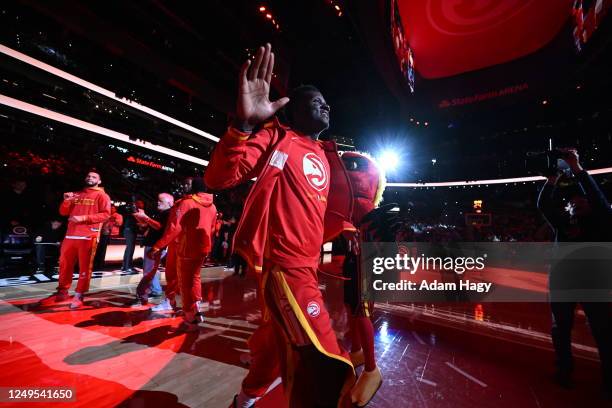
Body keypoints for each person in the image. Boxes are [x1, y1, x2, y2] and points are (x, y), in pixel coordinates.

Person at [205, 44, 357, 408]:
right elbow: (218, 177)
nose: (327, 105)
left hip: (309, 267)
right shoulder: (278, 139)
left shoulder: (325, 154)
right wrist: (243, 125)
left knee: (277, 343)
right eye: (317, 100)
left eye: (327, 101)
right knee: (326, 358)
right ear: (293, 109)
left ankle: (244, 399)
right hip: (284, 270)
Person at [537, 148, 612, 394]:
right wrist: (551, 181)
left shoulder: (601, 220)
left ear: (590, 205)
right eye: (572, 202)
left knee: (602, 329)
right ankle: (564, 371)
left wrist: (577, 168)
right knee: (561, 327)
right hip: (563, 280)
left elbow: (598, 198)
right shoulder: (563, 223)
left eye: (582, 201)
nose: (576, 203)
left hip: (593, 280)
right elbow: (543, 205)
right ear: (567, 207)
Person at [150, 178, 216, 331]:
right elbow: (212, 229)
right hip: (203, 248)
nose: (183, 185)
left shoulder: (186, 203)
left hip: (185, 247)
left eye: (187, 184)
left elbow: (175, 227)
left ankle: (189, 316)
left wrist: (158, 245)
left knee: (184, 283)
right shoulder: (212, 206)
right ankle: (196, 309)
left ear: (194, 187)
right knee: (194, 278)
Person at [39, 170, 111, 309]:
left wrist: (83, 218)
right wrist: (66, 201)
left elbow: (106, 215)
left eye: (94, 176)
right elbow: (63, 212)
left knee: (84, 268)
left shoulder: (102, 196)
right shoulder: (76, 194)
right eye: (88, 175)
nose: (90, 177)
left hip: (88, 236)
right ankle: (63, 291)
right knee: (64, 265)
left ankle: (79, 295)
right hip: (70, 234)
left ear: (99, 181)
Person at [130, 193, 174, 306]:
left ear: (169, 203)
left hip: (156, 246)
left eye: (161, 201)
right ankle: (154, 291)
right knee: (151, 271)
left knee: (149, 272)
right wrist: (143, 221)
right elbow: (154, 226)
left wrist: (146, 218)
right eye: (158, 200)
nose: (158, 203)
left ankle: (143, 295)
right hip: (156, 245)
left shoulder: (168, 213)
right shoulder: (162, 213)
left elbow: (159, 227)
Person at [93, 205, 123, 270]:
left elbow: (119, 223)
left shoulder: (118, 215)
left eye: (113, 208)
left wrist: (112, 220)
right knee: (98, 249)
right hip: (101, 233)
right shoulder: (105, 214)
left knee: (103, 250)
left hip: (111, 234)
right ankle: (96, 264)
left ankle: (100, 264)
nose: (111, 209)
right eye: (110, 208)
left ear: (115, 209)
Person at [120, 199, 146, 272]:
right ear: (137, 204)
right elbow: (139, 221)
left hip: (130, 230)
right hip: (129, 230)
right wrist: (143, 224)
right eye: (140, 203)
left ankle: (125, 265)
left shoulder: (136, 211)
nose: (142, 205)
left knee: (129, 248)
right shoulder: (134, 211)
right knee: (130, 248)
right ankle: (127, 266)